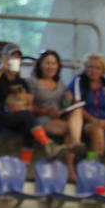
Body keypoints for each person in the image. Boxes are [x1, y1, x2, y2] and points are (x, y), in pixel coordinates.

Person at [0, 43, 65, 162]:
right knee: (27, 117)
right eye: (12, 56)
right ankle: (48, 144)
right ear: (4, 57)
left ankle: (24, 164)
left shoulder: (21, 82)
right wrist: (0, 70)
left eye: (17, 57)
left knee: (28, 125)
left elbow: (28, 104)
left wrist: (21, 106)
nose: (15, 60)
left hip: (14, 117)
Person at [30, 49, 86, 181]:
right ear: (41, 65)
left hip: (58, 117)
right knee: (70, 130)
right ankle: (70, 166)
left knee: (77, 111)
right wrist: (47, 112)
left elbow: (65, 105)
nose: (51, 66)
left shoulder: (61, 84)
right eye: (47, 63)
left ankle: (76, 143)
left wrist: (69, 102)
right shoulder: (33, 82)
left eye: (54, 63)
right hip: (41, 118)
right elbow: (29, 107)